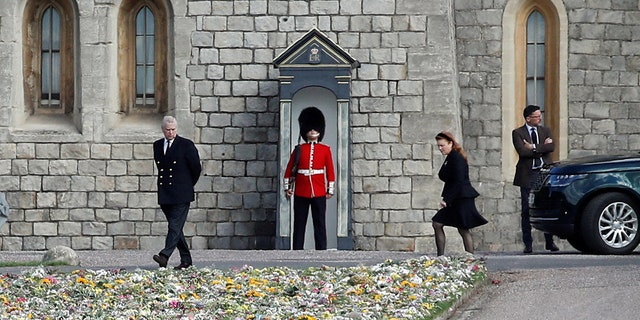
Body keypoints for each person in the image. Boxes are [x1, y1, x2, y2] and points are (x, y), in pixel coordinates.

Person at [152, 116, 202, 269]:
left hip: (182, 192)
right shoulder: (157, 145)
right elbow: (162, 168)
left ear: (176, 129)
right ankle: (186, 261)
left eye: (173, 129)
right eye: (168, 130)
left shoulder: (186, 145)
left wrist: (187, 185)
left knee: (174, 226)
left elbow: (196, 168)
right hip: (165, 193)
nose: (171, 133)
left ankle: (164, 255)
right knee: (176, 227)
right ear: (163, 130)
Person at [283, 107, 335, 250]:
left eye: (315, 128)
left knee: (319, 223)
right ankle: (297, 249)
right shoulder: (299, 149)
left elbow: (330, 170)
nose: (312, 130)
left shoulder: (325, 149)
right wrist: (288, 187)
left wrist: (330, 189)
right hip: (301, 190)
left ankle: (321, 250)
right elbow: (289, 168)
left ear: (320, 130)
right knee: (299, 223)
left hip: (318, 191)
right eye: (310, 128)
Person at [432, 131, 488, 256]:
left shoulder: (456, 157)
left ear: (450, 143)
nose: (440, 148)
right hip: (456, 197)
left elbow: (458, 181)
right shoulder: (451, 157)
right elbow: (447, 177)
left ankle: (470, 259)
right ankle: (440, 257)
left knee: (462, 228)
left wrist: (447, 199)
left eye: (442, 145)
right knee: (437, 223)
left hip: (462, 198)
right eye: (438, 146)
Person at [512, 104, 558, 254]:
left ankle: (550, 242)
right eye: (537, 116)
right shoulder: (518, 133)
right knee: (526, 209)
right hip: (528, 175)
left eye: (540, 115)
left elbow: (551, 148)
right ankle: (528, 244)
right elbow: (522, 152)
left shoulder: (545, 131)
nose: (540, 118)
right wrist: (540, 148)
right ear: (528, 118)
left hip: (544, 172)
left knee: (547, 206)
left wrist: (532, 146)